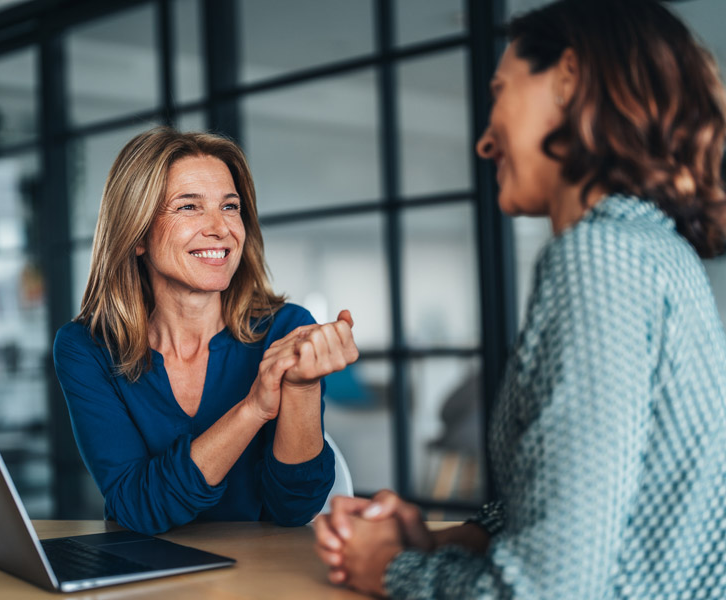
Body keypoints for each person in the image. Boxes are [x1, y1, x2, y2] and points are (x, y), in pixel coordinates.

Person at [314, 0, 726, 597]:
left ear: (569, 77)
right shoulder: (650, 250)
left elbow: (549, 588)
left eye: (499, 90)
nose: (484, 141)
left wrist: (390, 569)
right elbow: (604, 506)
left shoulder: (600, 259)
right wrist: (451, 540)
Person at [54, 127, 358, 535]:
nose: (220, 228)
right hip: (143, 577)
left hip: (260, 577)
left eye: (230, 207)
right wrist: (253, 409)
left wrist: (301, 389)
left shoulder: (286, 330)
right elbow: (137, 509)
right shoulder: (86, 348)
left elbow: (294, 508)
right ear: (137, 233)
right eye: (189, 207)